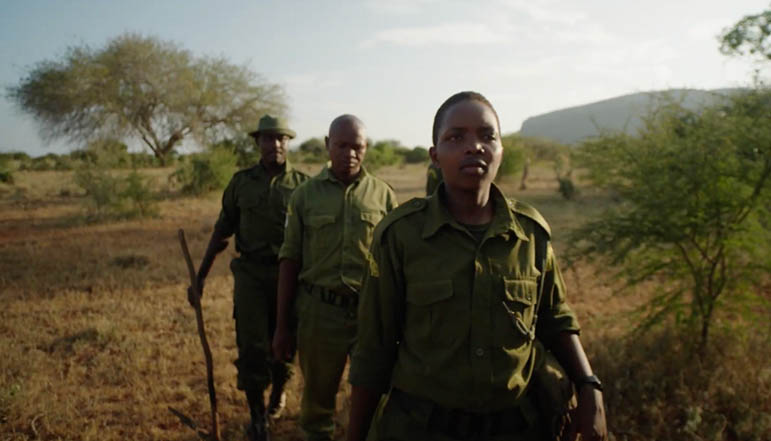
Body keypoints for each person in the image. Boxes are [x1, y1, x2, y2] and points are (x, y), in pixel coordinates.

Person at [347, 91, 608, 441]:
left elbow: (556, 319)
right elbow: (373, 350)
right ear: (435, 156)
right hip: (423, 428)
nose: (474, 147)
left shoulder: (530, 234)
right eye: (456, 137)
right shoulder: (400, 236)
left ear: (501, 151)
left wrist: (589, 386)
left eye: (487, 136)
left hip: (519, 427)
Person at [272, 114, 399, 441]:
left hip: (369, 315)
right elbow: (290, 259)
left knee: (374, 400)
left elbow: (395, 262)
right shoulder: (305, 196)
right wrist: (283, 326)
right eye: (342, 145)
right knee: (317, 405)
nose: (350, 154)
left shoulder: (383, 196)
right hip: (319, 314)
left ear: (366, 147)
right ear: (328, 145)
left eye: (358, 147)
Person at [188, 114, 309, 441]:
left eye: (281, 138)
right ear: (258, 143)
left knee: (285, 341)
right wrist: (200, 277)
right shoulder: (241, 183)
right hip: (251, 276)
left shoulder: (303, 185)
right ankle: (257, 416)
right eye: (268, 138)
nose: (275, 144)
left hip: (289, 275)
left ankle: (278, 394)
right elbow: (221, 231)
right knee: (252, 345)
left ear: (288, 143)